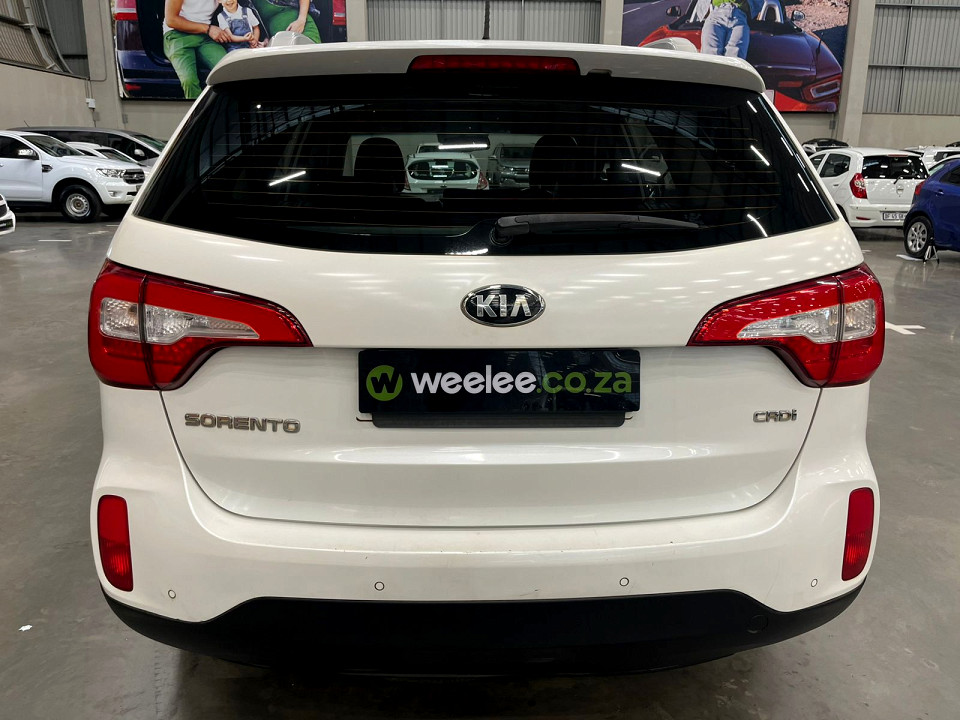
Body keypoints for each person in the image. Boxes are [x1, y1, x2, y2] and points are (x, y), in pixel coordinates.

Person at [163, 0, 228, 100]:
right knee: (189, 81)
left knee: (228, 72)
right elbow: (171, 20)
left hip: (204, 35)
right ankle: (197, 109)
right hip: (177, 35)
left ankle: (229, 108)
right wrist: (208, 29)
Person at [693, 0, 763, 60]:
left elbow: (757, 7)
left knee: (735, 57)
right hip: (716, 16)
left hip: (740, 18)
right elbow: (703, 11)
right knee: (710, 55)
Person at [251, 0, 321, 44]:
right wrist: (267, 40)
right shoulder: (250, 2)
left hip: (301, 28)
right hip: (278, 40)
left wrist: (301, 20)